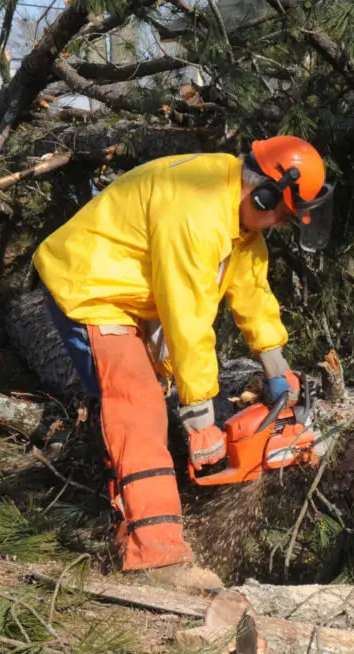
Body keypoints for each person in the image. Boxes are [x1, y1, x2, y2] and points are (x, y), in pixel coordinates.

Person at [32, 136, 334, 590]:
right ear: (264, 192)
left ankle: (127, 522)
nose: (277, 225)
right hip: (92, 283)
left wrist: (277, 368)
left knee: (149, 404)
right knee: (139, 405)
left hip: (136, 289)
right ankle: (156, 559)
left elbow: (251, 289)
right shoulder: (198, 209)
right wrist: (200, 418)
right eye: (281, 214)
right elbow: (188, 314)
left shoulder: (238, 214)